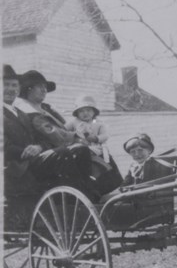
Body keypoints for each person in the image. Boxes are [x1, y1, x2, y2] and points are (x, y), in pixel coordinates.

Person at [12, 69, 121, 200]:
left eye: (45, 87)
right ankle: (88, 193)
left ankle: (110, 189)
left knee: (103, 153)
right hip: (47, 151)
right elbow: (53, 133)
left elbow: (65, 126)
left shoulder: (45, 108)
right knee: (82, 150)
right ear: (28, 89)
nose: (44, 90)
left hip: (58, 145)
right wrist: (79, 139)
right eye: (40, 87)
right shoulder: (29, 111)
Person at [65, 94, 110, 160]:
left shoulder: (98, 122)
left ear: (94, 112)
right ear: (77, 113)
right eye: (81, 111)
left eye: (88, 110)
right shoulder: (74, 122)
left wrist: (96, 138)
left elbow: (105, 135)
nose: (85, 113)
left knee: (106, 157)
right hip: (79, 145)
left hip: (95, 146)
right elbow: (64, 129)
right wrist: (73, 135)